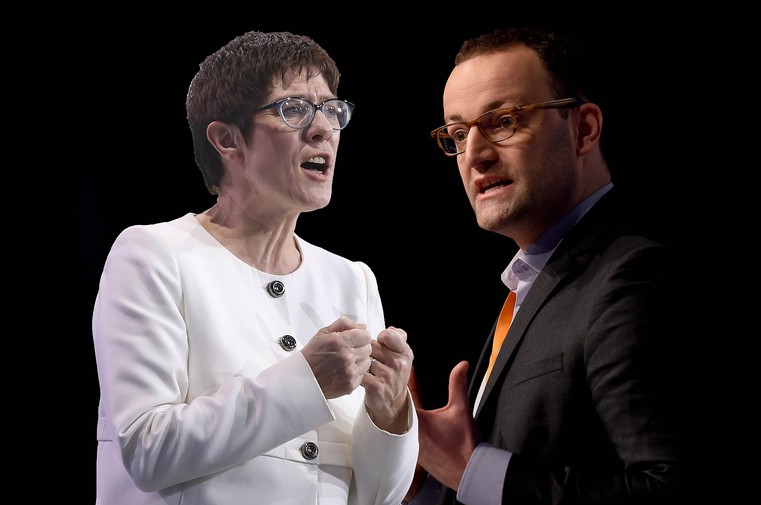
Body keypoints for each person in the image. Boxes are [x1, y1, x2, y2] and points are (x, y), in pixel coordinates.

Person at [93, 31, 418, 505]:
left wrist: (388, 413)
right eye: (294, 109)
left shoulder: (351, 279)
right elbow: (147, 449)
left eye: (331, 109)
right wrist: (306, 380)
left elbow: (378, 496)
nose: (324, 128)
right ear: (228, 140)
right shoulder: (154, 254)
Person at [404, 27, 690, 504]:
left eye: (504, 121)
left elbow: (667, 488)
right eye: (458, 133)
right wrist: (425, 481)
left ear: (584, 129)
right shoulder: (534, 285)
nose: (474, 154)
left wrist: (471, 470)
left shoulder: (633, 276)